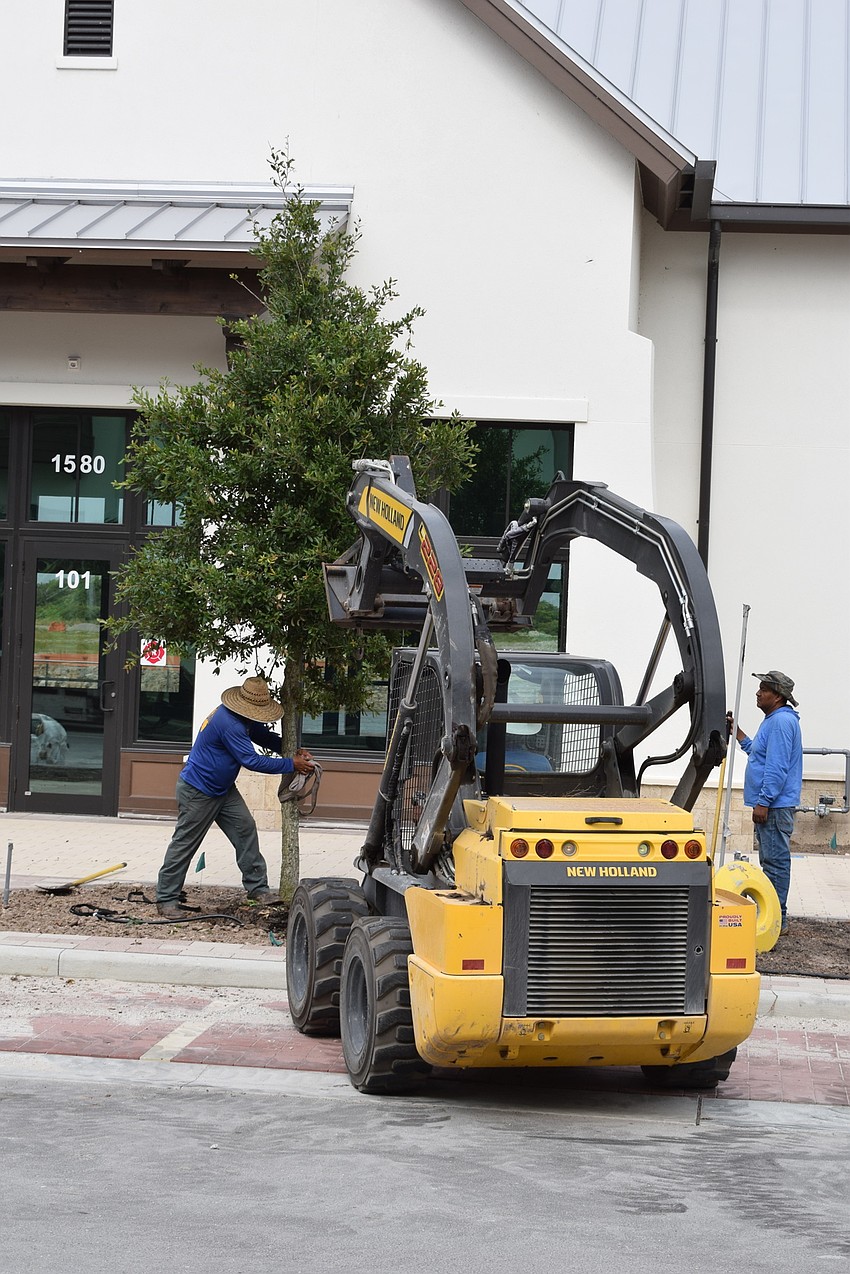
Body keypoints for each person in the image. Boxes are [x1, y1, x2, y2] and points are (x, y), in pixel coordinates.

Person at [156, 676, 314, 918]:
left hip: (222, 788)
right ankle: (166, 899)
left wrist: (291, 749)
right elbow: (251, 760)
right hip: (198, 791)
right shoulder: (230, 723)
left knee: (245, 828)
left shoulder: (242, 718)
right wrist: (291, 764)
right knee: (185, 844)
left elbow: (262, 736)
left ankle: (258, 889)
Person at [730, 670, 802, 938]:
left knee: (775, 863)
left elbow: (776, 767)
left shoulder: (781, 722)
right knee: (771, 861)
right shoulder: (773, 720)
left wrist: (764, 802)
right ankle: (773, 916)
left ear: (778, 696)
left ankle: (775, 919)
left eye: (764, 689)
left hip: (774, 806)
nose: (758, 693)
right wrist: (738, 734)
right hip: (771, 804)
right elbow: (759, 755)